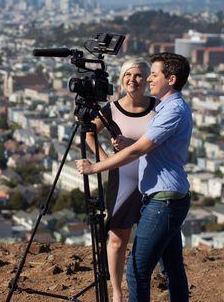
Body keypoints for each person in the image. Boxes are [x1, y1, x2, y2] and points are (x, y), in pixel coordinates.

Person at [75, 52, 192, 302]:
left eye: (152, 74)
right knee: (172, 267)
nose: (147, 79)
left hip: (163, 198)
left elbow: (141, 149)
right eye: (129, 74)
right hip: (161, 194)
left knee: (137, 270)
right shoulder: (166, 107)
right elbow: (149, 143)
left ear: (170, 79)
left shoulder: (168, 109)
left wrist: (96, 167)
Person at [85, 58, 156, 302]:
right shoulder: (112, 109)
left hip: (154, 180)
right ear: (121, 78)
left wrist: (131, 146)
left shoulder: (159, 106)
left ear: (146, 79)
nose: (132, 80)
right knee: (116, 240)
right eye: (127, 75)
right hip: (122, 181)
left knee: (151, 242)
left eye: (137, 75)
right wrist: (106, 161)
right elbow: (89, 133)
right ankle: (117, 293)